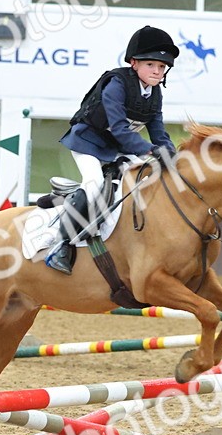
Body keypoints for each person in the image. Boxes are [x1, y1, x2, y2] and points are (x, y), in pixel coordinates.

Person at [45, 25, 180, 274]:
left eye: (162, 67)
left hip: (119, 147)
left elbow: (158, 132)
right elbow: (119, 129)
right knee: (95, 183)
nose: (157, 71)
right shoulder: (116, 84)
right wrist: (151, 151)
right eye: (151, 65)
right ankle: (61, 244)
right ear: (134, 63)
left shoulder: (155, 93)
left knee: (143, 180)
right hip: (88, 143)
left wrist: (172, 155)